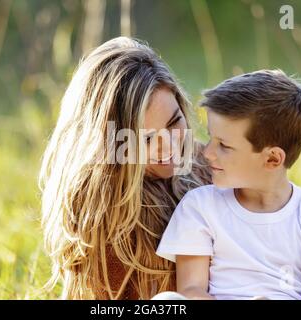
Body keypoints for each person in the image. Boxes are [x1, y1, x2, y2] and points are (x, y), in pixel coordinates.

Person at [39, 36, 211, 299]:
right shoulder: (102, 210)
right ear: (107, 144)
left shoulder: (207, 165)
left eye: (174, 122)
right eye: (146, 139)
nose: (169, 148)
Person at [156, 70, 301, 300]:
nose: (207, 153)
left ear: (272, 159)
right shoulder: (200, 205)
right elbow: (191, 291)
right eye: (210, 138)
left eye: (224, 146)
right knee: (167, 301)